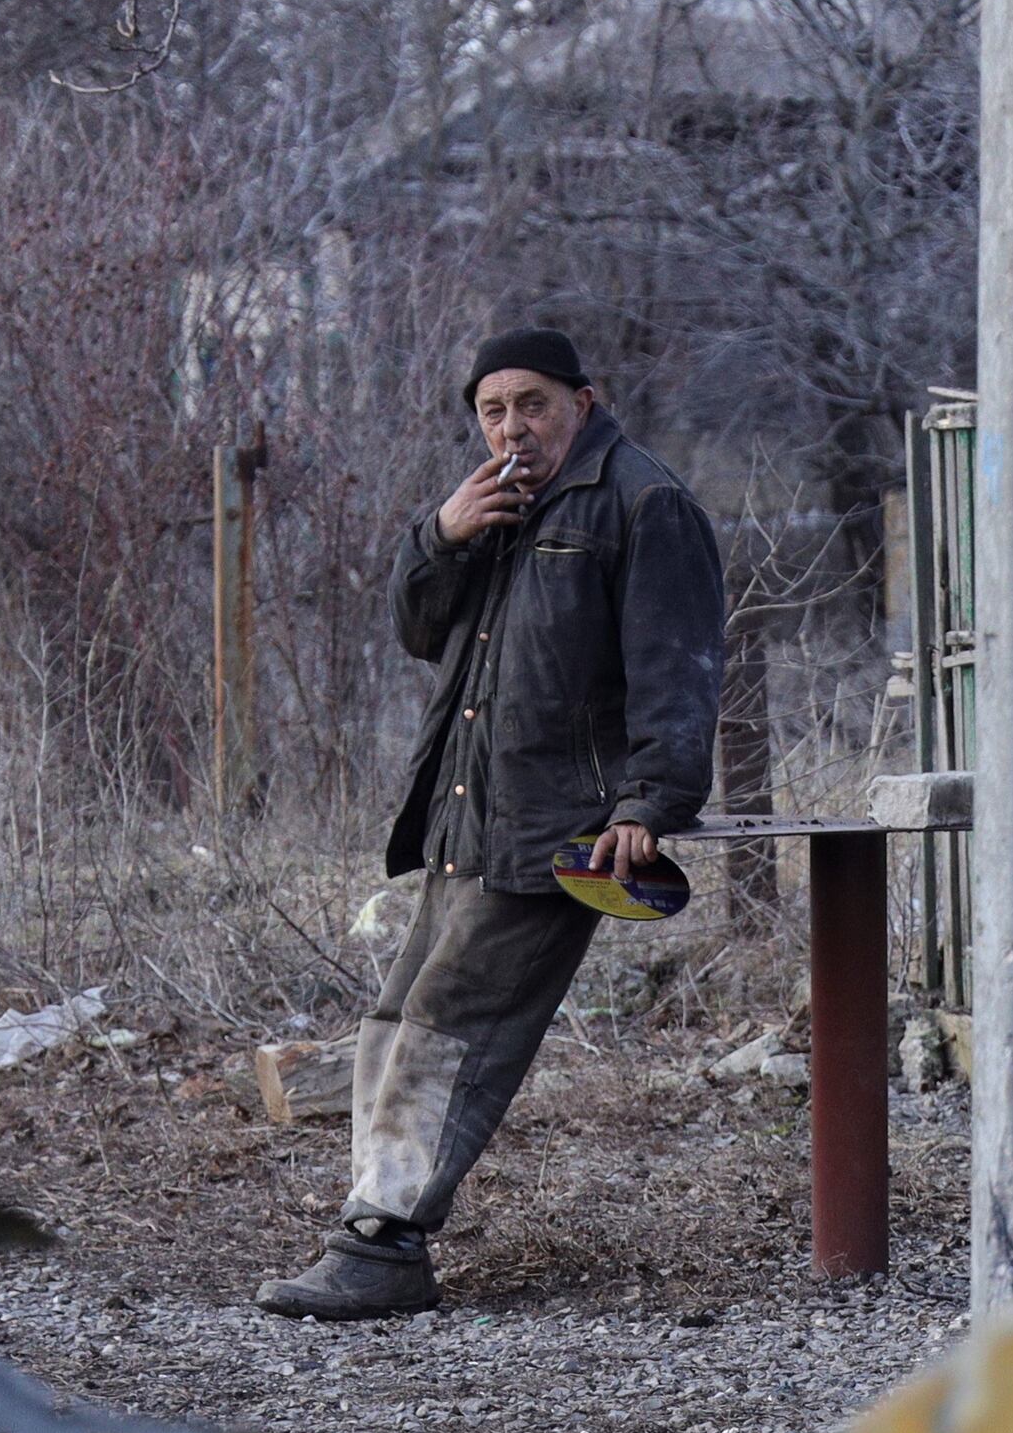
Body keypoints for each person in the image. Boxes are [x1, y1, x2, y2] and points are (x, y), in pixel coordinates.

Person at [263, 326, 726, 1322]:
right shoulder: (498, 507)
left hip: (564, 833)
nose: (513, 425)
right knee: (396, 1024)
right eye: (493, 408)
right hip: (467, 813)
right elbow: (418, 633)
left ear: (583, 401)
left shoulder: (643, 503)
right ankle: (371, 1224)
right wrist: (443, 533)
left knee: (451, 1029)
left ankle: (383, 1244)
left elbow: (679, 667)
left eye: (533, 404)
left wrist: (649, 804)